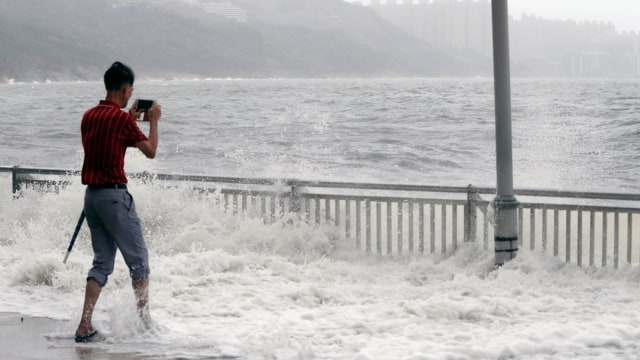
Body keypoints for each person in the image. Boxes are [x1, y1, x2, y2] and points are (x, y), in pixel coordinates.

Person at [74, 61, 161, 343]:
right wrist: (154, 121)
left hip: (92, 198)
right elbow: (150, 151)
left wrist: (130, 119)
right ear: (125, 89)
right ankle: (144, 323)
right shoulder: (122, 120)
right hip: (114, 196)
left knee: (101, 263)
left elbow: (108, 141)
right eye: (130, 90)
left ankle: (84, 324)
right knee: (139, 262)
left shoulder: (89, 116)